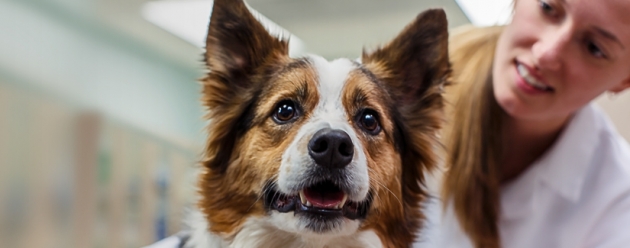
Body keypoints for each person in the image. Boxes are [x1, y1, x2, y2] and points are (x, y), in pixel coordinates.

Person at [414, 0, 630, 248]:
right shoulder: (410, 80)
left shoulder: (618, 207)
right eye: (547, 8)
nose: (545, 53)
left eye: (594, 48)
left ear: (625, 80)